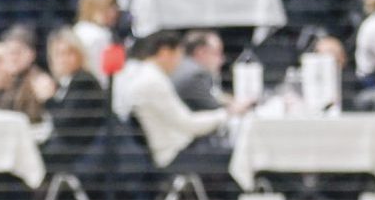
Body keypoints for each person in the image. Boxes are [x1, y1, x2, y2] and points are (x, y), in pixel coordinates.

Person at [123, 29, 245, 172]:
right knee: (240, 157)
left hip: (177, 149)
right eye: (178, 55)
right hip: (173, 156)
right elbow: (189, 124)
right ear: (165, 52)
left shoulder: (147, 75)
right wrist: (227, 114)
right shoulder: (152, 81)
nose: (180, 62)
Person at [37, 28, 109, 174]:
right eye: (58, 54)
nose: (63, 59)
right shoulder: (67, 82)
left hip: (82, 155)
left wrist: (49, 99)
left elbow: (65, 124)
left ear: (80, 55)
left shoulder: (84, 81)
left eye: (69, 53)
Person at [171, 29, 226, 111]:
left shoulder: (181, 66)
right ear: (201, 52)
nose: (222, 59)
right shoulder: (196, 74)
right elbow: (214, 108)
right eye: (217, 53)